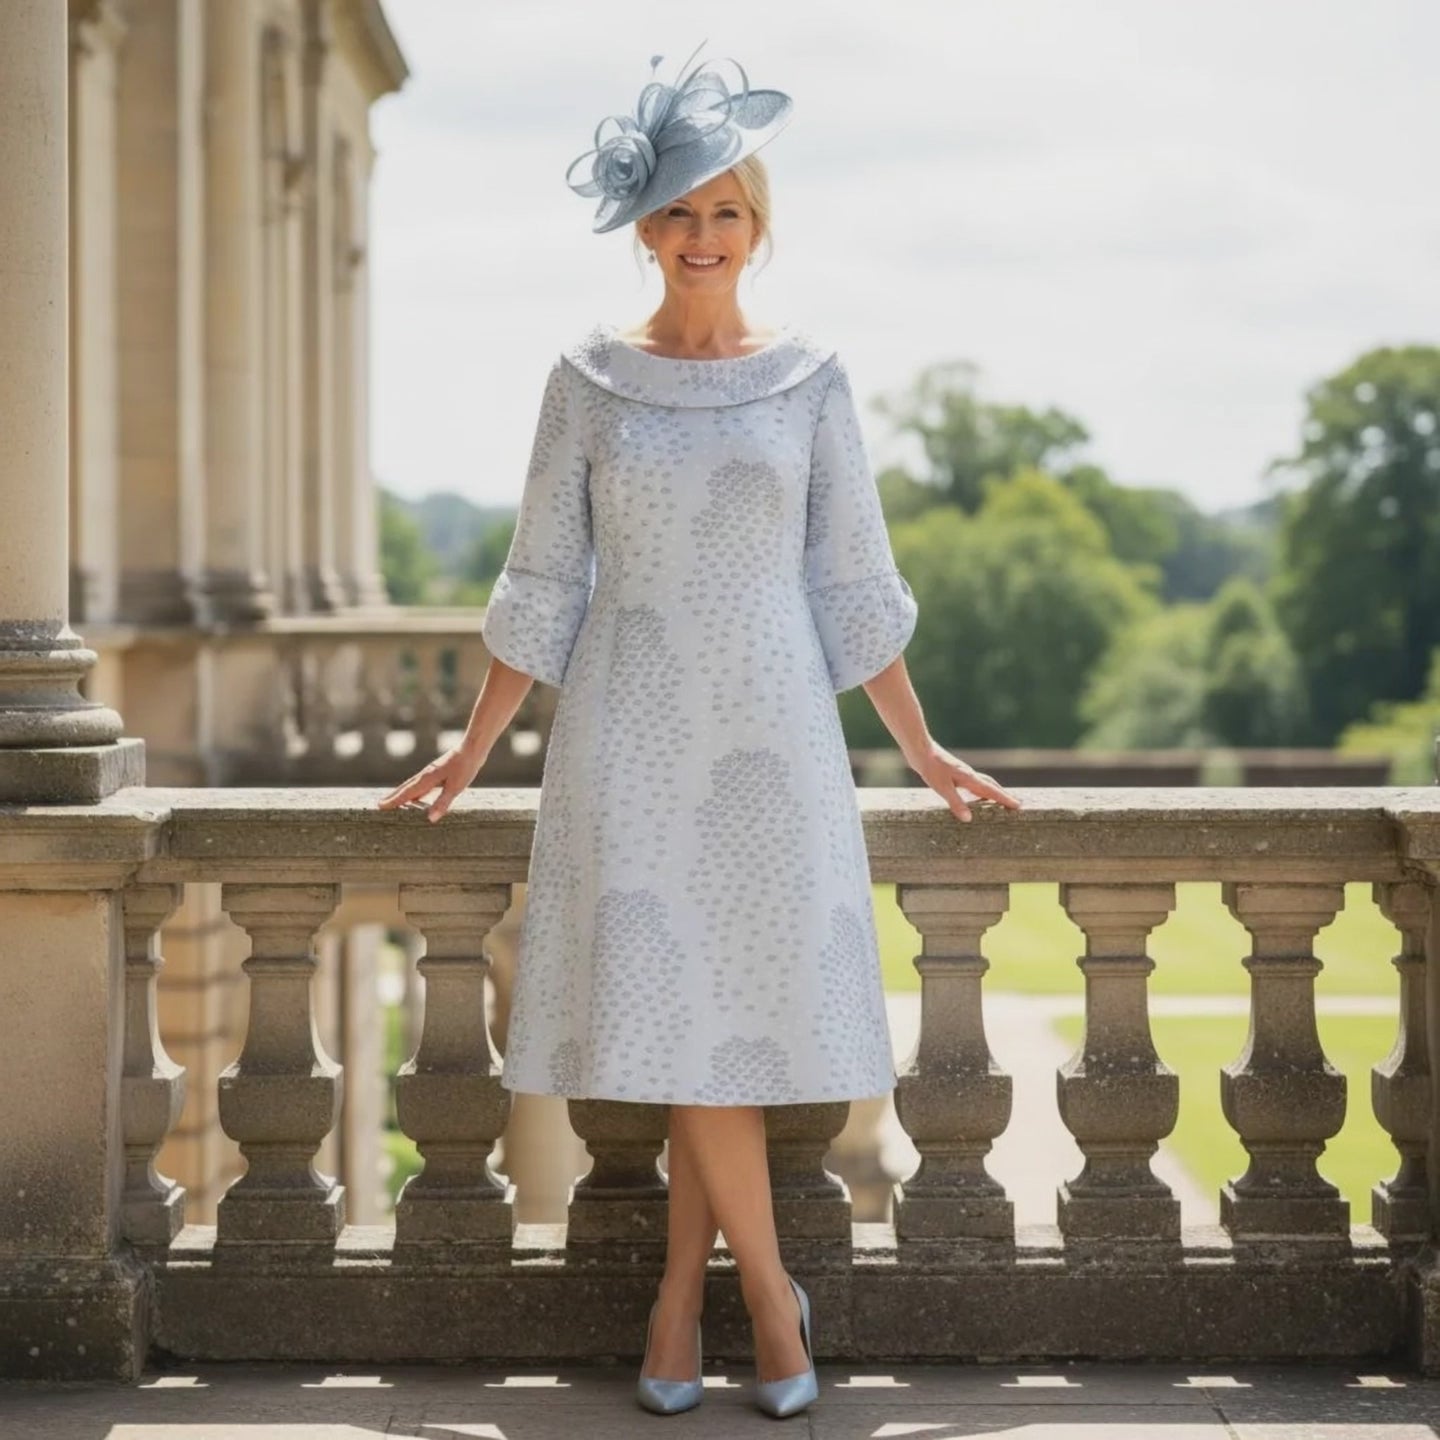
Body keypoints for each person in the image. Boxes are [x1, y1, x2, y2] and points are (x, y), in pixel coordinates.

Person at [378, 42, 1022, 1420]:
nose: (701, 237)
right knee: (680, 1018)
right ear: (640, 228)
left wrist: (919, 748)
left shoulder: (814, 378)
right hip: (627, 732)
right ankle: (766, 1308)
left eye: (726, 211)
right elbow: (545, 577)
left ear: (761, 223)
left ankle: (687, 1304)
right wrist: (476, 745)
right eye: (676, 213)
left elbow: (851, 578)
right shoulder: (585, 379)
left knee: (717, 1028)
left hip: (779, 732)